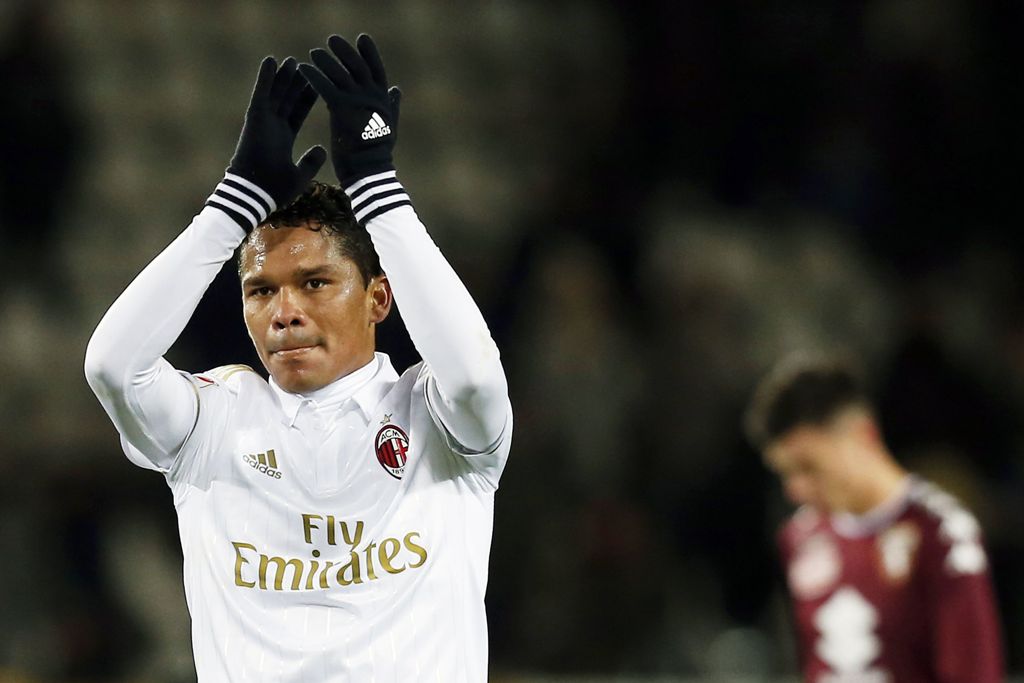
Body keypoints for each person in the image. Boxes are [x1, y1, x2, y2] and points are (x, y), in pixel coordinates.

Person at [85, 33, 512, 682]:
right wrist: (232, 206)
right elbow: (112, 367)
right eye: (261, 289)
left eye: (314, 282)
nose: (284, 311)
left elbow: (479, 377)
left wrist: (376, 189)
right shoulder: (215, 423)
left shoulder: (436, 415)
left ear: (377, 297)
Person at [745, 354, 1003, 683]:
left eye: (809, 467)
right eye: (786, 474)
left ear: (863, 435)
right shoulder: (801, 538)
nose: (796, 490)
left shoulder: (942, 533)